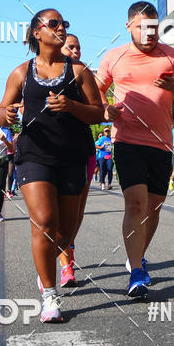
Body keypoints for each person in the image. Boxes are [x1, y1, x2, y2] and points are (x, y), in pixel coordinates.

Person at [0, 9, 103, 323]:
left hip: (73, 155)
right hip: (34, 155)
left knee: (64, 233)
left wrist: (70, 105)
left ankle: (49, 266)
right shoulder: (21, 73)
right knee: (44, 222)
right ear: (36, 33)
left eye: (63, 24)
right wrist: (9, 116)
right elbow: (1, 111)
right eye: (53, 23)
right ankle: (49, 294)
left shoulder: (79, 71)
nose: (60, 28)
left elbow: (98, 113)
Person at [96, 1, 174, 298]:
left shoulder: (173, 56)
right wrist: (105, 110)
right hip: (127, 140)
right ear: (129, 27)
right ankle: (137, 272)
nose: (149, 34)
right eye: (142, 27)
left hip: (162, 143)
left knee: (153, 208)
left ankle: (135, 255)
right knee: (136, 204)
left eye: (154, 28)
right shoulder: (114, 57)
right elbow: (96, 89)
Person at [56, 32, 99, 286]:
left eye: (79, 47)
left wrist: (108, 111)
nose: (76, 51)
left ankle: (67, 254)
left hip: (82, 148)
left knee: (76, 214)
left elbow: (98, 108)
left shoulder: (83, 73)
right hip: (49, 152)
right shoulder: (37, 74)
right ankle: (64, 266)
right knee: (55, 214)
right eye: (70, 47)